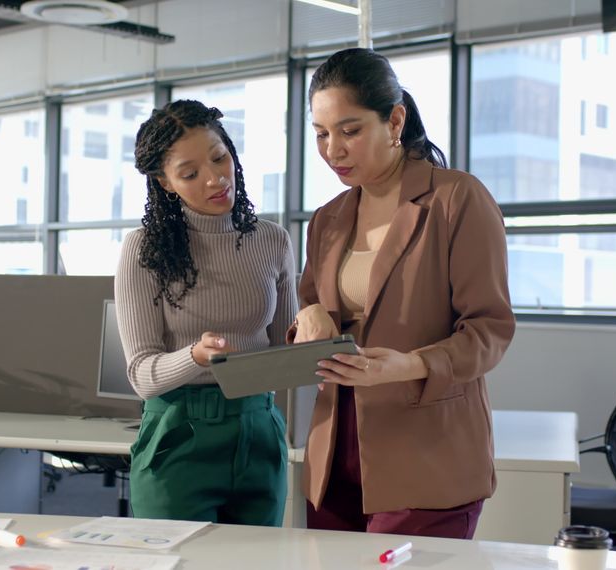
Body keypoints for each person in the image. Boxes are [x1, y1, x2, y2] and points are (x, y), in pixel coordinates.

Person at [292, 47, 515, 538]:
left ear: (395, 121)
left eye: (350, 131)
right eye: (321, 134)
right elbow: (311, 303)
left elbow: (490, 330)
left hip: (426, 454)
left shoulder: (457, 200)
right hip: (335, 454)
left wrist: (411, 365)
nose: (334, 150)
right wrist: (307, 315)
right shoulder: (328, 218)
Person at [115, 99, 297, 525]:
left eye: (220, 158)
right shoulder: (143, 250)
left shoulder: (273, 241)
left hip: (258, 431)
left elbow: (284, 355)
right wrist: (195, 355)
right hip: (179, 436)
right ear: (164, 182)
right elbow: (141, 375)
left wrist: (314, 326)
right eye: (190, 173)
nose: (216, 179)